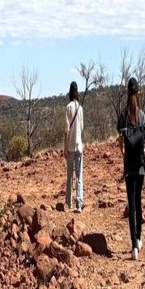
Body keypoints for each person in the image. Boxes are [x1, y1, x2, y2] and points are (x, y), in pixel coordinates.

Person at [117, 77, 145, 261]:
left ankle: (133, 246)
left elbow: (120, 143)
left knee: (131, 203)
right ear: (138, 92)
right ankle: (139, 238)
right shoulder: (142, 115)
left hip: (129, 166)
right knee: (139, 201)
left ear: (127, 92)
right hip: (140, 165)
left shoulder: (123, 114)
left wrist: (124, 158)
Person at [63, 81, 84, 212]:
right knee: (79, 176)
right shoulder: (80, 108)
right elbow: (81, 127)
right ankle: (79, 203)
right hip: (79, 146)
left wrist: (64, 146)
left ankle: (69, 202)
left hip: (70, 146)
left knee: (70, 175)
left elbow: (66, 129)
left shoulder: (68, 107)